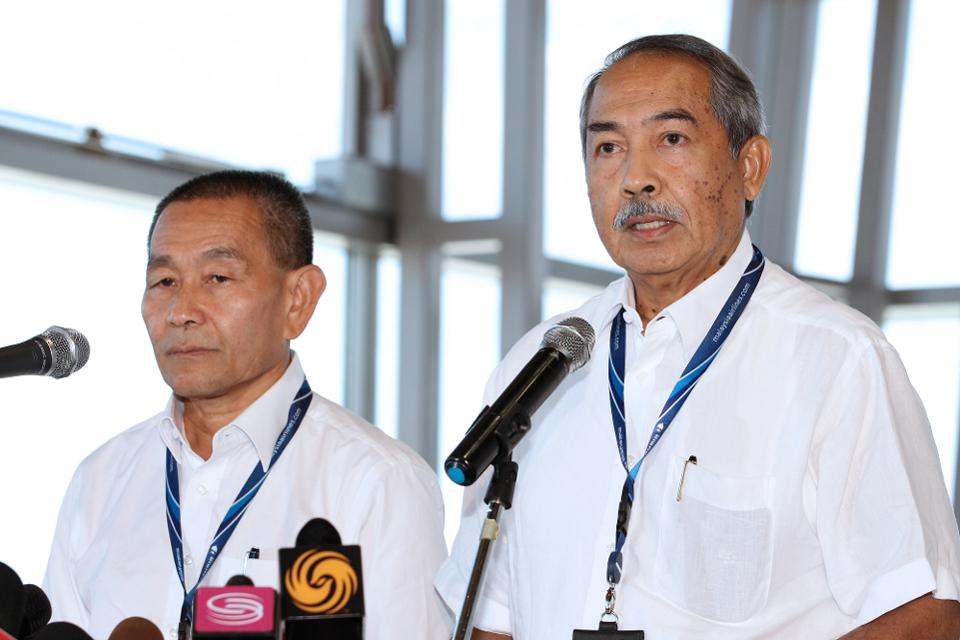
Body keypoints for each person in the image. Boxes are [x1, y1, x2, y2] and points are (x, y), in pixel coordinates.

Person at [436, 34, 960, 639]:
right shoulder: (539, 364)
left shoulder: (837, 360)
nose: (636, 179)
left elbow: (925, 617)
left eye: (671, 140)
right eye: (608, 147)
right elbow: (491, 620)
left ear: (749, 166)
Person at [44, 170, 450, 639]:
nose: (181, 311)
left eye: (218, 278)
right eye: (164, 281)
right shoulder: (100, 480)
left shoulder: (376, 482)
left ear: (297, 300)